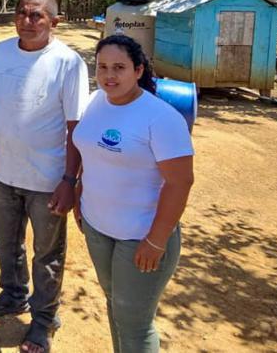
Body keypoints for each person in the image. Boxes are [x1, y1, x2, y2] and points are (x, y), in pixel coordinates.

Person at [0, 0, 89, 353]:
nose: (27, 21)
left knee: (47, 254)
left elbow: (76, 127)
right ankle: (13, 295)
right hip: (6, 173)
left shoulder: (68, 63)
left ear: (54, 22)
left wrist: (70, 181)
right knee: (7, 244)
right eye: (21, 13)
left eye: (37, 15)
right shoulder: (1, 53)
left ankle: (43, 320)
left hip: (47, 180)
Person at [72, 35, 194, 353]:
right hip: (98, 228)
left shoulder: (161, 118)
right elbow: (89, 151)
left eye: (119, 67)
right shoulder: (96, 101)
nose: (109, 75)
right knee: (116, 306)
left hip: (139, 237)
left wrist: (156, 240)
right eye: (102, 67)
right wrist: (80, 191)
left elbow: (180, 183)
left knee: (135, 326)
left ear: (138, 70)